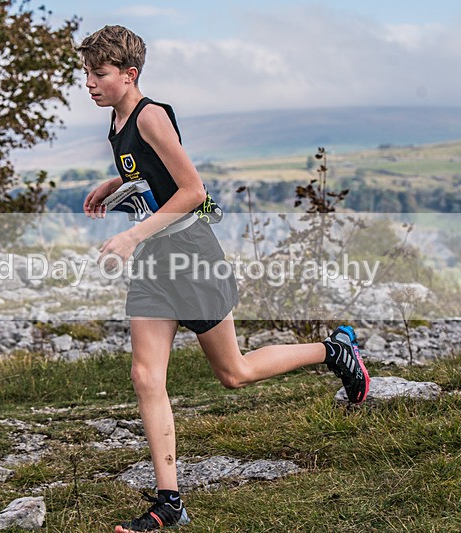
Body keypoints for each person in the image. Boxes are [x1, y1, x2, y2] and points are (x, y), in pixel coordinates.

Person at [78, 25, 370, 533]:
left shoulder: (151, 116)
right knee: (146, 376)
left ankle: (334, 350)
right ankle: (170, 502)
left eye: (98, 73)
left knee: (233, 373)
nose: (89, 82)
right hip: (155, 262)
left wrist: (129, 237)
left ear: (129, 74)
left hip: (191, 253)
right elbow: (153, 176)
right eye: (86, 72)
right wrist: (117, 184)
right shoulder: (118, 116)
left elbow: (192, 191)